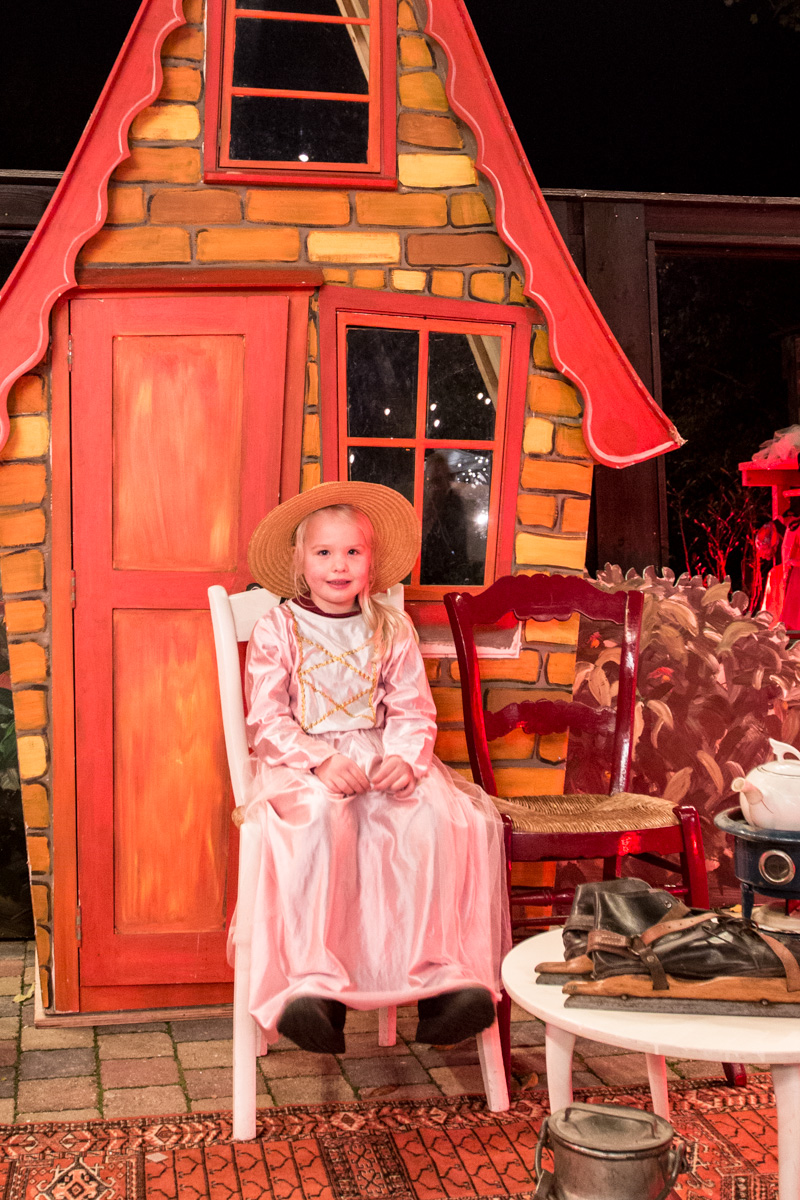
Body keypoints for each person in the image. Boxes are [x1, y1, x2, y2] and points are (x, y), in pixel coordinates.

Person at [233, 480, 509, 1055]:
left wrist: (405, 759)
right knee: (318, 819)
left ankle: (441, 984)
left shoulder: (391, 626)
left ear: (371, 563)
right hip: (304, 762)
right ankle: (313, 989)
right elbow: (266, 718)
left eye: (352, 552)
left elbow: (412, 708)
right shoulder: (277, 628)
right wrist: (320, 760)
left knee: (432, 817)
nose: (338, 565)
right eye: (324, 552)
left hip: (381, 756)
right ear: (299, 562)